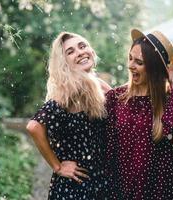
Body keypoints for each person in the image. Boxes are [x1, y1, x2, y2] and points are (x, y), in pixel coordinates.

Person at [105, 28, 173, 199]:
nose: (130, 65)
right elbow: (101, 142)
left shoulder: (168, 100)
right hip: (120, 189)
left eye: (139, 62)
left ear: (154, 68)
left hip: (157, 190)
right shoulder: (116, 98)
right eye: (130, 58)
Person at [26, 31, 111, 200]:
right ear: (64, 63)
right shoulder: (68, 92)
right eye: (70, 52)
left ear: (91, 51)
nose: (80, 52)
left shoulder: (99, 86)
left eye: (82, 46)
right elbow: (34, 127)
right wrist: (57, 167)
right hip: (75, 188)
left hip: (101, 183)